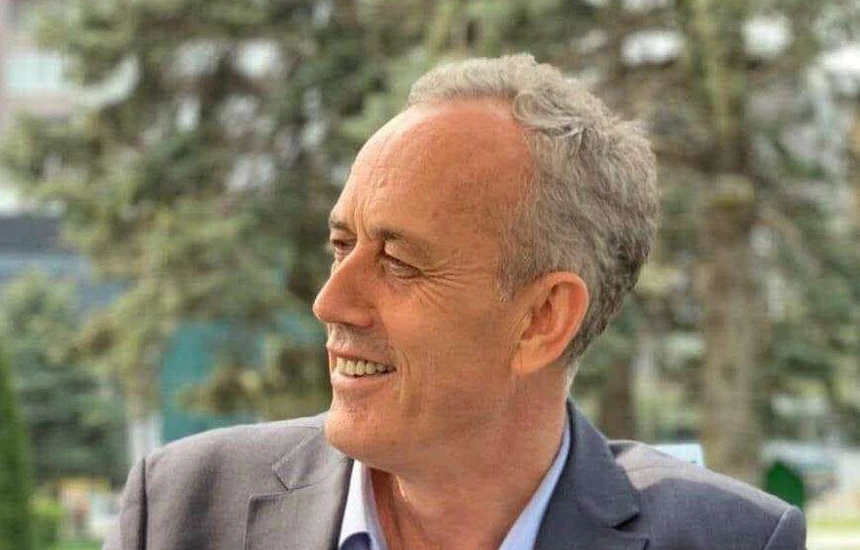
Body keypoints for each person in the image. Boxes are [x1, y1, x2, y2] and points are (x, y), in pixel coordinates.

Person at [104, 54, 805, 550]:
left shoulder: (735, 540)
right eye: (341, 246)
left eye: (398, 261)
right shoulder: (179, 512)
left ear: (542, 319)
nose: (330, 302)